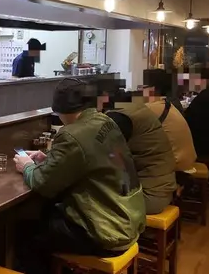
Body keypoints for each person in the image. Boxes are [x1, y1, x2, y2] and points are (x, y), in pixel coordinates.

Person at [13, 78, 145, 274]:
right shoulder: (105, 121)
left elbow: (43, 183)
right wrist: (48, 157)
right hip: (129, 219)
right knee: (50, 214)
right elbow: (90, 157)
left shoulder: (71, 134)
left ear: (60, 110)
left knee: (26, 233)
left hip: (107, 231)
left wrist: (27, 167)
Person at [106, 103, 177, 214]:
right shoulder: (132, 108)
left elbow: (104, 154)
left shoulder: (119, 118)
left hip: (148, 196)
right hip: (162, 189)